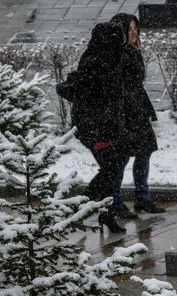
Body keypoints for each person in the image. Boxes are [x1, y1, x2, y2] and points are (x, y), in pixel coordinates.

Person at [57, 22, 127, 233]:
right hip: (95, 128)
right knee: (111, 169)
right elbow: (93, 98)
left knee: (112, 169)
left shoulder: (106, 57)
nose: (122, 41)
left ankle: (103, 213)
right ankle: (82, 204)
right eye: (119, 37)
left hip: (104, 125)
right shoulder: (95, 61)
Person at [109, 13, 165, 217]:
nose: (133, 33)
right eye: (129, 29)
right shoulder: (116, 54)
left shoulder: (133, 51)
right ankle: (115, 202)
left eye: (135, 28)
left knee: (144, 152)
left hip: (137, 110)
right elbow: (117, 85)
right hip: (124, 113)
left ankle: (142, 197)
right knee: (120, 158)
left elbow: (135, 83)